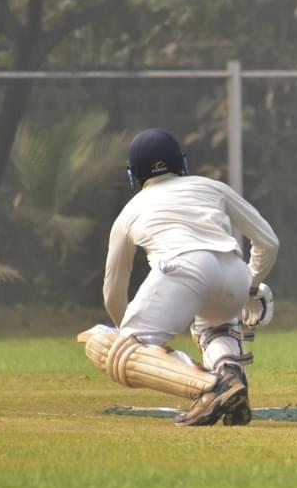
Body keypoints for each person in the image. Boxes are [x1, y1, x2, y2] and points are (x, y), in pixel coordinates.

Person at [79, 127, 279, 426]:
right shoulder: (212, 187)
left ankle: (213, 387)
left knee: (112, 350)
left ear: (134, 175)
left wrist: (135, 344)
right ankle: (230, 377)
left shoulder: (129, 211)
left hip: (183, 266)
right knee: (216, 328)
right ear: (181, 163)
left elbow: (113, 293)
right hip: (233, 268)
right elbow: (269, 243)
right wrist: (249, 285)